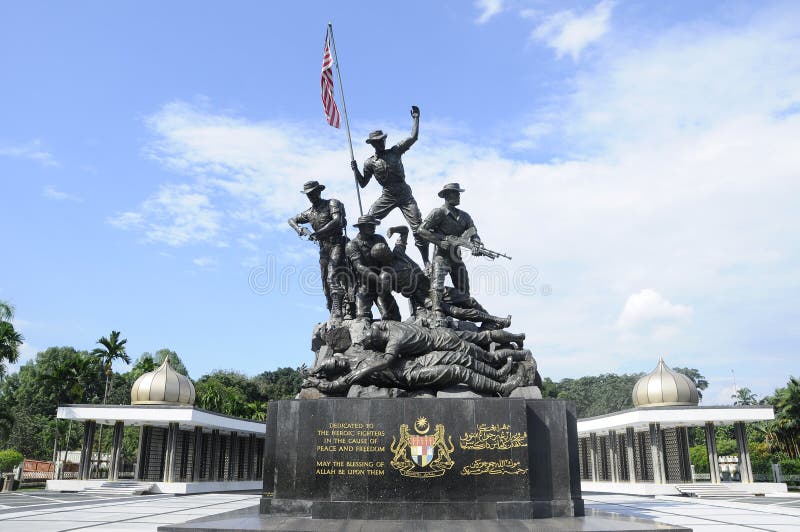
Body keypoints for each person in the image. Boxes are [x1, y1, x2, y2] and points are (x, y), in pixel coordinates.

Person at [350, 106, 430, 267]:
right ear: (372, 144)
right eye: (377, 141)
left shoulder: (396, 151)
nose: (381, 143)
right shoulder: (369, 162)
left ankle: (426, 261)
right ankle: (366, 255)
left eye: (382, 140)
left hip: (404, 194)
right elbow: (363, 184)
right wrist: (356, 170)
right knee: (368, 220)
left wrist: (416, 118)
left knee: (418, 229)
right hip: (387, 195)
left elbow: (413, 137)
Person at [418, 183, 482, 326]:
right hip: (441, 254)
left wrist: (476, 245)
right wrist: (440, 242)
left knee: (463, 286)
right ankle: (437, 310)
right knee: (437, 283)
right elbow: (421, 230)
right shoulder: (438, 212)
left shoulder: (464, 216)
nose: (458, 196)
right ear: (447, 196)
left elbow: (474, 233)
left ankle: (465, 314)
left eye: (459, 193)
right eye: (455, 193)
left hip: (456, 256)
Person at [288, 181, 349, 320]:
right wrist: (299, 229)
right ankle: (332, 310)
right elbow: (291, 220)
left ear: (319, 191)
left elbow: (337, 221)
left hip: (337, 244)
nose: (311, 196)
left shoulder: (332, 203)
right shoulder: (309, 212)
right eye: (308, 194)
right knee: (324, 282)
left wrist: (317, 233)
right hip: (323, 248)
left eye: (313, 193)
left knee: (332, 276)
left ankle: (339, 311)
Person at [345, 215, 401, 321]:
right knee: (362, 317)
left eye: (374, 225)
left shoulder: (379, 239)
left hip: (382, 283)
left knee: (394, 316)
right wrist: (377, 279)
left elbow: (388, 258)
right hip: (365, 285)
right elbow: (359, 267)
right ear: (361, 227)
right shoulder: (352, 245)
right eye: (370, 226)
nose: (374, 227)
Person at [370, 225, 430, 311]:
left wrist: (394, 229)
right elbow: (383, 296)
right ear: (382, 258)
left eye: (388, 248)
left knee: (455, 296)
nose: (389, 250)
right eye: (386, 251)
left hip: (429, 283)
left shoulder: (398, 252)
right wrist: (384, 312)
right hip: (420, 296)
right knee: (448, 309)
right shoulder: (386, 275)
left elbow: (405, 231)